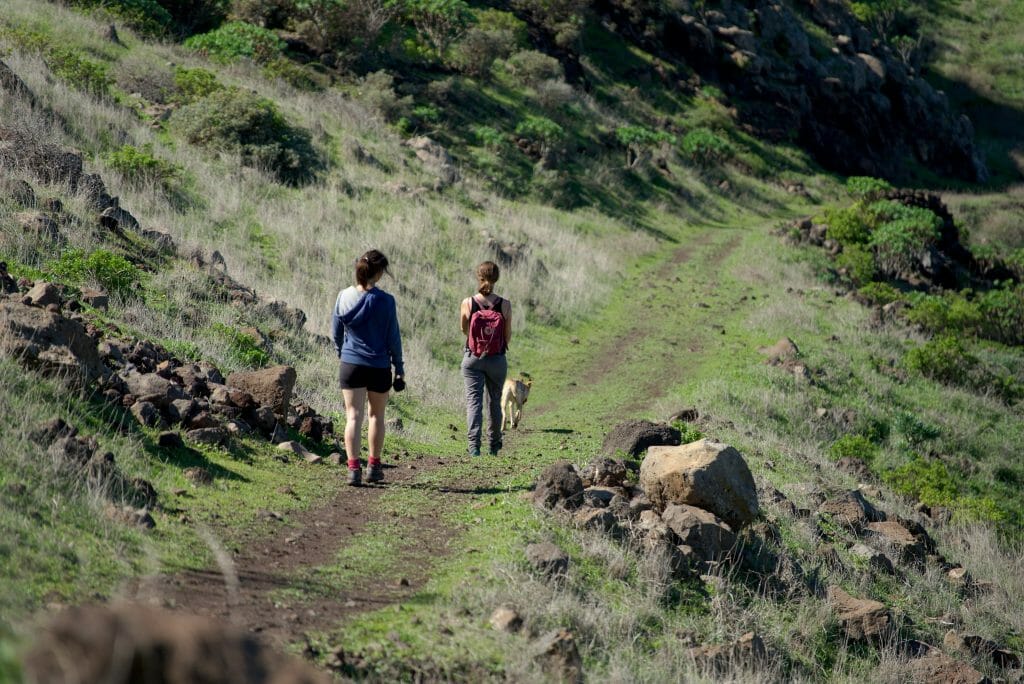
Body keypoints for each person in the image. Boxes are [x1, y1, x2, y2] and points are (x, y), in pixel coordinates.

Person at [331, 250, 404, 486]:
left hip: (351, 364)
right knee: (376, 416)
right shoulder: (386, 301)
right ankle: (373, 465)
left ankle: (353, 469)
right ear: (380, 272)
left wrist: (344, 353)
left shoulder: (343, 296)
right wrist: (399, 366)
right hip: (379, 366)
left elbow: (336, 333)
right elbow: (394, 338)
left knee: (353, 416)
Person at [460, 261, 512, 457]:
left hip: (473, 358)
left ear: (478, 276)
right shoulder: (505, 304)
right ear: (497, 278)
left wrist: (476, 341)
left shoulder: (468, 303)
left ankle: (474, 446)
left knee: (474, 402)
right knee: (495, 401)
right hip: (497, 359)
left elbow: (463, 329)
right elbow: (507, 335)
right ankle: (494, 444)